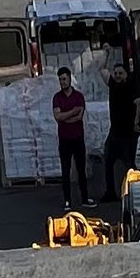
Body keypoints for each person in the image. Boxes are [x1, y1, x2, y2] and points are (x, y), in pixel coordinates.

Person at [103, 58, 139, 203]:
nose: (117, 75)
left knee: (129, 165)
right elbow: (102, 70)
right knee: (108, 162)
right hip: (114, 131)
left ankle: (133, 194)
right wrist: (106, 53)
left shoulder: (130, 86)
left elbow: (139, 104)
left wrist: (136, 122)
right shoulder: (113, 85)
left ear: (126, 74)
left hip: (128, 132)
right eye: (116, 73)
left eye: (120, 73)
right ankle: (110, 192)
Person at [51, 68, 89, 205]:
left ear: (69, 79)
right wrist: (72, 111)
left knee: (81, 170)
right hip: (64, 139)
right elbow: (57, 117)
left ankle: (85, 198)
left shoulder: (79, 96)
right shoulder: (57, 97)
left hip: (77, 137)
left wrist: (65, 117)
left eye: (64, 79)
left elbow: (79, 117)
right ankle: (67, 200)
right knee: (65, 171)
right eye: (60, 80)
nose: (62, 82)